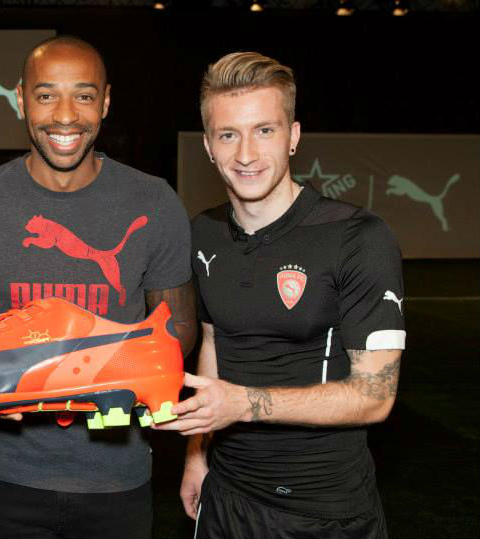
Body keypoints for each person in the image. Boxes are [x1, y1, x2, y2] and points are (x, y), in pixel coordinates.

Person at [0, 35, 196, 539]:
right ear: (20, 99)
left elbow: (177, 329)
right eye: (46, 95)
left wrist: (101, 377)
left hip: (116, 477)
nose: (65, 115)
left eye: (83, 95)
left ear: (106, 101)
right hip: (3, 475)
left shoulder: (154, 201)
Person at [157, 52, 404, 539]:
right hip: (227, 497)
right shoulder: (203, 233)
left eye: (264, 130)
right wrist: (197, 456)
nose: (246, 154)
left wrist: (244, 404)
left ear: (293, 136)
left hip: (324, 511)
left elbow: (376, 396)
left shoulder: (358, 237)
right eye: (228, 135)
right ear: (208, 146)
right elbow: (214, 343)